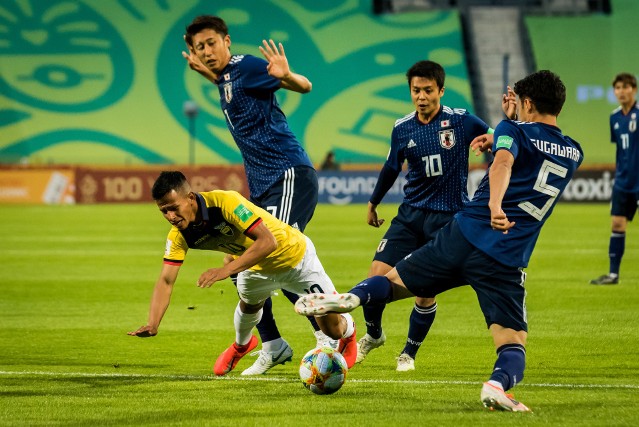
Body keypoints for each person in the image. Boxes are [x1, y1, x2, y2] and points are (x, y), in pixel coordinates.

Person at [296, 70, 583, 411]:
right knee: (512, 342)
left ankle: (353, 299)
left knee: (392, 282)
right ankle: (497, 385)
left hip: (464, 234)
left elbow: (504, 162)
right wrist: (509, 129)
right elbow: (525, 154)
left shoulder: (509, 129)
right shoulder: (572, 152)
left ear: (529, 103)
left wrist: (494, 198)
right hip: (506, 256)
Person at [181, 15, 327, 374]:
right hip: (263, 184)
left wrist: (287, 77)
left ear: (226, 41)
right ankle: (273, 344)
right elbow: (224, 81)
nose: (206, 51)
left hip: (287, 172)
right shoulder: (224, 77)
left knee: (279, 256)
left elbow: (305, 86)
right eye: (199, 47)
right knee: (239, 259)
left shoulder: (245, 66)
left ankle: (328, 339)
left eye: (211, 43)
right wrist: (206, 72)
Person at [128, 171, 357, 376]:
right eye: (163, 211)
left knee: (333, 330)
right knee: (249, 304)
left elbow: (268, 242)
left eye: (173, 208)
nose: (170, 216)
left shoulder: (226, 202)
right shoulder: (178, 235)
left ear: (189, 198)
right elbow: (166, 280)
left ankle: (349, 326)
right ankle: (242, 345)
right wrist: (153, 322)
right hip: (255, 268)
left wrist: (224, 270)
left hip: (296, 258)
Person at [357, 60, 492, 371]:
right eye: (416, 90)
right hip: (410, 216)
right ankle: (374, 334)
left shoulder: (461, 121)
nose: (421, 96)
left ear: (441, 91)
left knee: (424, 289)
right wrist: (373, 202)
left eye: (428, 90)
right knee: (374, 278)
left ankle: (408, 354)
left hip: (447, 219)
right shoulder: (402, 127)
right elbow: (392, 167)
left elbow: (500, 139)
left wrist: (509, 122)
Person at [590, 73, 639, 285]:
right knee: (617, 224)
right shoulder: (615, 117)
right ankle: (613, 274)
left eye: (625, 87)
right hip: (623, 182)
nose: (620, 91)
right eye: (617, 87)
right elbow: (620, 149)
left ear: (634, 90)